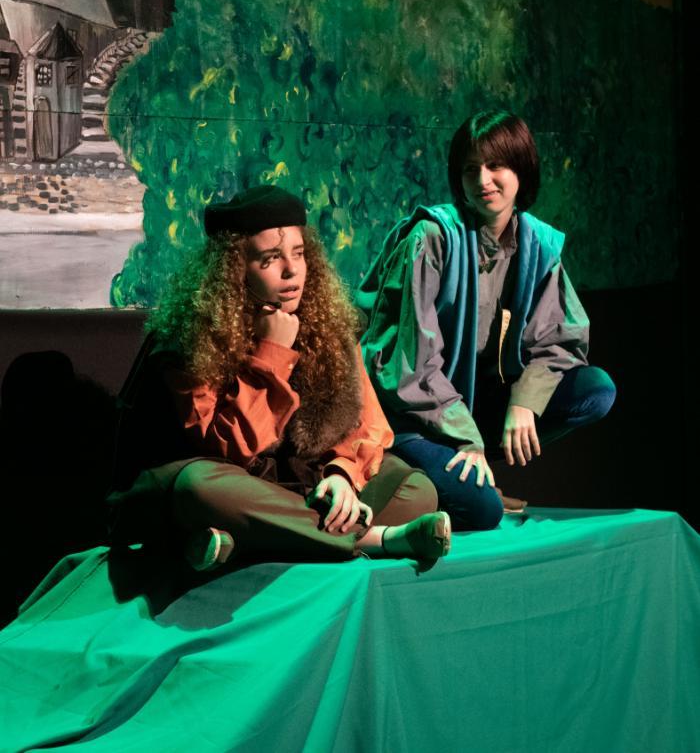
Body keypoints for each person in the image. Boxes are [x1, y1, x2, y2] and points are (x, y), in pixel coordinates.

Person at [110, 185, 450, 569]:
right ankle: (373, 538)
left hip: (299, 484)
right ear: (234, 269)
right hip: (229, 480)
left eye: (299, 254)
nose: (291, 271)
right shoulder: (189, 338)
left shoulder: (329, 325)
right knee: (200, 489)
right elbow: (229, 447)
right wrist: (271, 353)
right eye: (270, 258)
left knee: (415, 490)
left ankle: (244, 541)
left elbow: (368, 425)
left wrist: (343, 475)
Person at [356, 110, 616, 531]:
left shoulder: (537, 244)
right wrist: (466, 437)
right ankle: (416, 467)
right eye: (470, 169)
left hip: (477, 405)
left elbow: (560, 340)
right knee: (482, 510)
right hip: (411, 415)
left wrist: (524, 402)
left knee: (595, 389)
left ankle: (462, 470)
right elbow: (408, 365)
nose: (483, 180)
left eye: (496, 165)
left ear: (521, 170)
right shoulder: (433, 238)